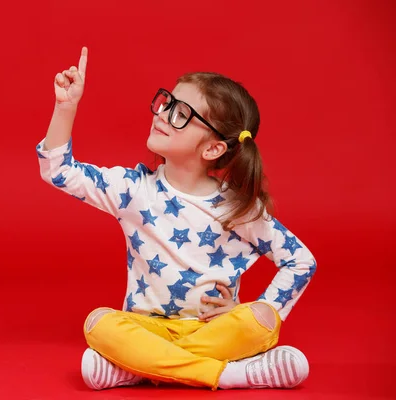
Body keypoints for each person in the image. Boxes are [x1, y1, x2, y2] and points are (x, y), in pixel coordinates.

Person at [36, 47, 317, 391]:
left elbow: (300, 261)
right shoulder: (133, 189)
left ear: (213, 149)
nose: (163, 114)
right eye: (166, 102)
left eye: (181, 113)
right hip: (147, 327)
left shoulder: (238, 208)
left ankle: (140, 367)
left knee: (261, 318)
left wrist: (260, 306)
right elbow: (59, 171)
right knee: (99, 323)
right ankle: (232, 374)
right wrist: (66, 107)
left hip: (211, 330)